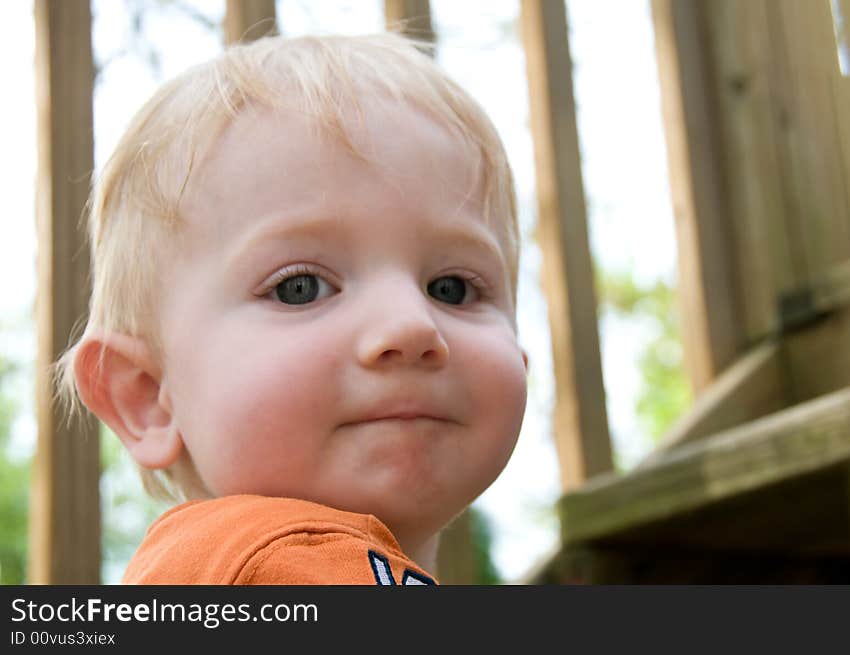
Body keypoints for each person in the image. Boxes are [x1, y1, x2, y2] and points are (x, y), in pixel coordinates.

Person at [58, 32, 528, 584]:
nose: (411, 324)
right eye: (299, 287)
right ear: (147, 395)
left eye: (451, 287)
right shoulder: (279, 561)